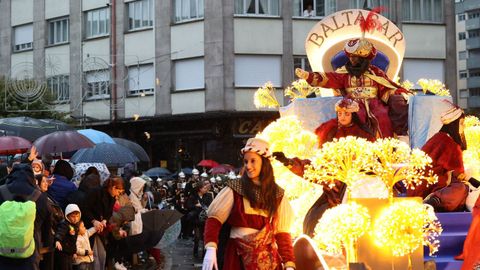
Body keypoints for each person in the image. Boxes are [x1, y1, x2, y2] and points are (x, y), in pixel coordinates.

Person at [274, 98, 375, 236]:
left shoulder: (364, 137)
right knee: (313, 222)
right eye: (340, 114)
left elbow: (371, 166)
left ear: (353, 115)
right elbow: (316, 170)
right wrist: (289, 163)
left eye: (346, 114)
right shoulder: (330, 134)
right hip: (333, 191)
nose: (343, 117)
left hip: (358, 190)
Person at [202, 138, 295, 270]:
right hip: (237, 256)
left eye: (253, 161)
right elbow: (214, 219)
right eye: (246, 161)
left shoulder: (277, 194)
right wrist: (211, 247)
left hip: (267, 259)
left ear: (264, 163)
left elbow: (282, 233)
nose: (248, 166)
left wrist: (289, 263)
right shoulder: (235, 188)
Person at [295, 38, 411, 138]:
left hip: (375, 104)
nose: (352, 60)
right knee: (355, 118)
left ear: (364, 59)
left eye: (355, 57)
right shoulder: (343, 73)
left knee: (383, 118)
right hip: (351, 104)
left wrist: (398, 94)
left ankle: (384, 152)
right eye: (350, 57)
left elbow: (387, 87)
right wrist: (308, 76)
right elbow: (329, 78)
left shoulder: (376, 72)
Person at [407, 101, 470, 212]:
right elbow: (459, 174)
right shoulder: (450, 143)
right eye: (461, 123)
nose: (463, 127)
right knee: (462, 188)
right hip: (429, 190)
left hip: (415, 191)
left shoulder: (438, 138)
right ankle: (435, 201)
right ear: (454, 124)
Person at [0, 164, 52, 270]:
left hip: (2, 253)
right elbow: (47, 231)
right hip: (30, 255)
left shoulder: (1, 192)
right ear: (32, 178)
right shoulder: (40, 197)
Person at [81, 176, 125, 270]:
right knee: (95, 255)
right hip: (88, 227)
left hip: (100, 229)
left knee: (102, 254)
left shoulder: (112, 197)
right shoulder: (96, 192)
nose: (118, 195)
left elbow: (108, 213)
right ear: (113, 187)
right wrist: (93, 221)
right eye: (118, 191)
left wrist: (105, 220)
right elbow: (85, 208)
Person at [54, 204, 81, 270]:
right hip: (63, 252)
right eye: (73, 216)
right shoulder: (64, 224)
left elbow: (73, 240)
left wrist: (74, 252)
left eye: (77, 216)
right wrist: (57, 240)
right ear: (67, 216)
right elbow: (60, 232)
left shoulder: (75, 226)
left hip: (69, 253)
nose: (75, 219)